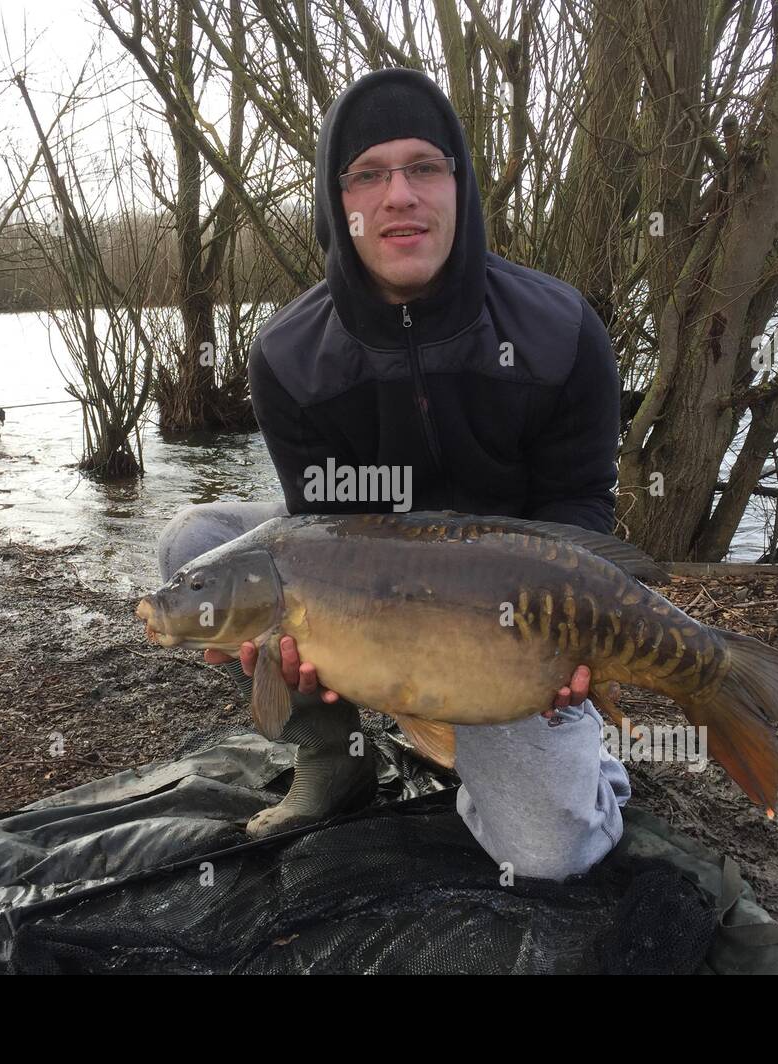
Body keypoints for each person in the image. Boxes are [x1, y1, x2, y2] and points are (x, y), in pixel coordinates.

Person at [157, 67, 629, 879]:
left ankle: (591, 767)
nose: (399, 194)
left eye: (424, 167)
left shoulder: (559, 330)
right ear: (337, 204)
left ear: (459, 185)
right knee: (197, 546)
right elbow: (318, 521)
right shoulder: (288, 354)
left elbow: (579, 506)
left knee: (551, 856)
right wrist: (300, 659)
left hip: (498, 608)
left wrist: (569, 639)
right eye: (368, 174)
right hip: (365, 568)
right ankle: (334, 756)